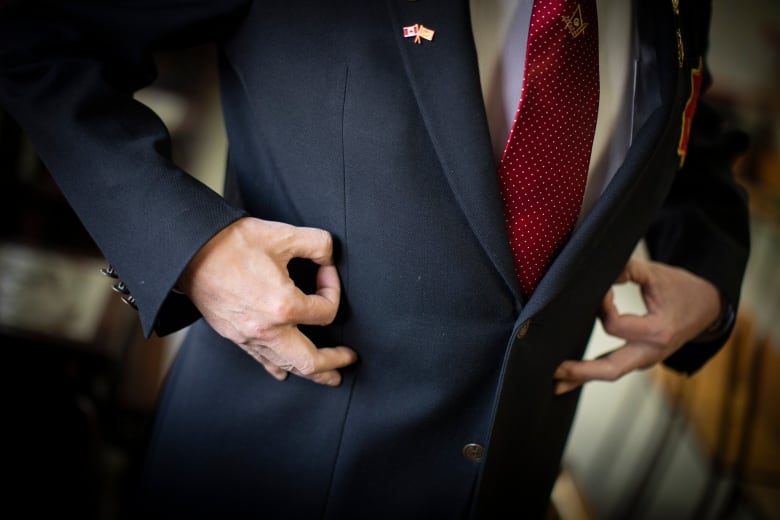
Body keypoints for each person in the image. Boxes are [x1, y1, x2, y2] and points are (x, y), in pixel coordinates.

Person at [0, 0, 750, 518]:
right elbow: (42, 34)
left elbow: (690, 136)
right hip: (263, 479)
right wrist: (192, 251)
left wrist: (710, 281)